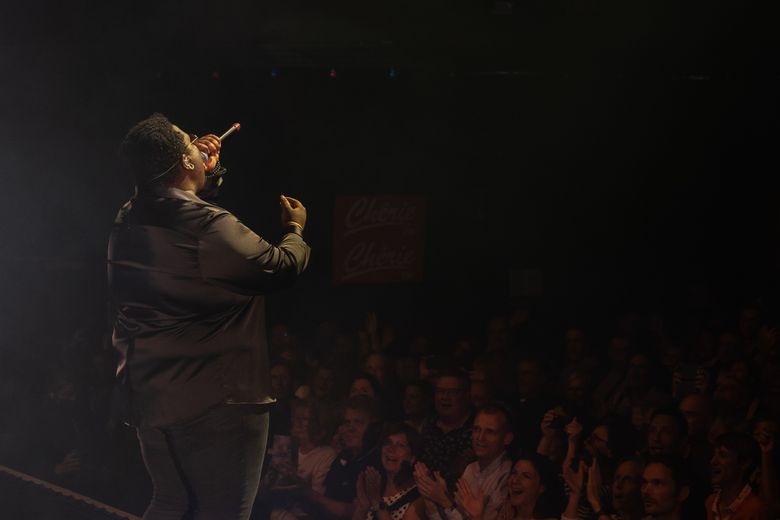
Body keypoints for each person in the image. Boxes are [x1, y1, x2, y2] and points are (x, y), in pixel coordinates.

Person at [108, 113, 310, 519]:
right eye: (190, 145)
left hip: (149, 396)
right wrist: (295, 229)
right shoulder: (208, 226)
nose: (200, 145)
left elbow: (177, 197)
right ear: (183, 162)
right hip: (216, 403)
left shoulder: (127, 217)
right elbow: (281, 266)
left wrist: (203, 169)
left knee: (171, 503)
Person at [415, 403, 513, 520]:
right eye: (476, 429)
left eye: (490, 432)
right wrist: (430, 499)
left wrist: (444, 501)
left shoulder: (509, 475)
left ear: (507, 438)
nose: (480, 437)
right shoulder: (471, 468)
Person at [353, 423, 426, 519]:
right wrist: (362, 507)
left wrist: (377, 502)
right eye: (388, 442)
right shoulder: (375, 485)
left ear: (412, 458)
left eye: (400, 445)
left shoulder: (418, 496)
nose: (391, 449)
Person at [705, 433, 770, 520]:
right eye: (714, 455)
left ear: (744, 463)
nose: (713, 461)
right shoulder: (710, 502)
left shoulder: (755, 509)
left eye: (722, 455)